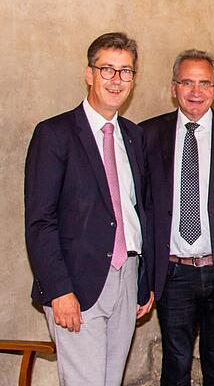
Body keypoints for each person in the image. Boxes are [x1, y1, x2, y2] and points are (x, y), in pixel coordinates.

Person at [25, 32, 154, 385]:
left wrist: (145, 281)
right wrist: (58, 290)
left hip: (126, 277)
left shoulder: (133, 135)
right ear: (89, 73)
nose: (117, 80)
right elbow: (40, 220)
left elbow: (139, 210)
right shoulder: (55, 134)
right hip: (76, 284)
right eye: (108, 70)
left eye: (125, 71)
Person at [140, 49, 214, 385]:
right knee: (175, 364)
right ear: (173, 88)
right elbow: (141, 209)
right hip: (173, 271)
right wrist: (145, 275)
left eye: (205, 83)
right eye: (187, 83)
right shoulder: (147, 135)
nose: (196, 91)